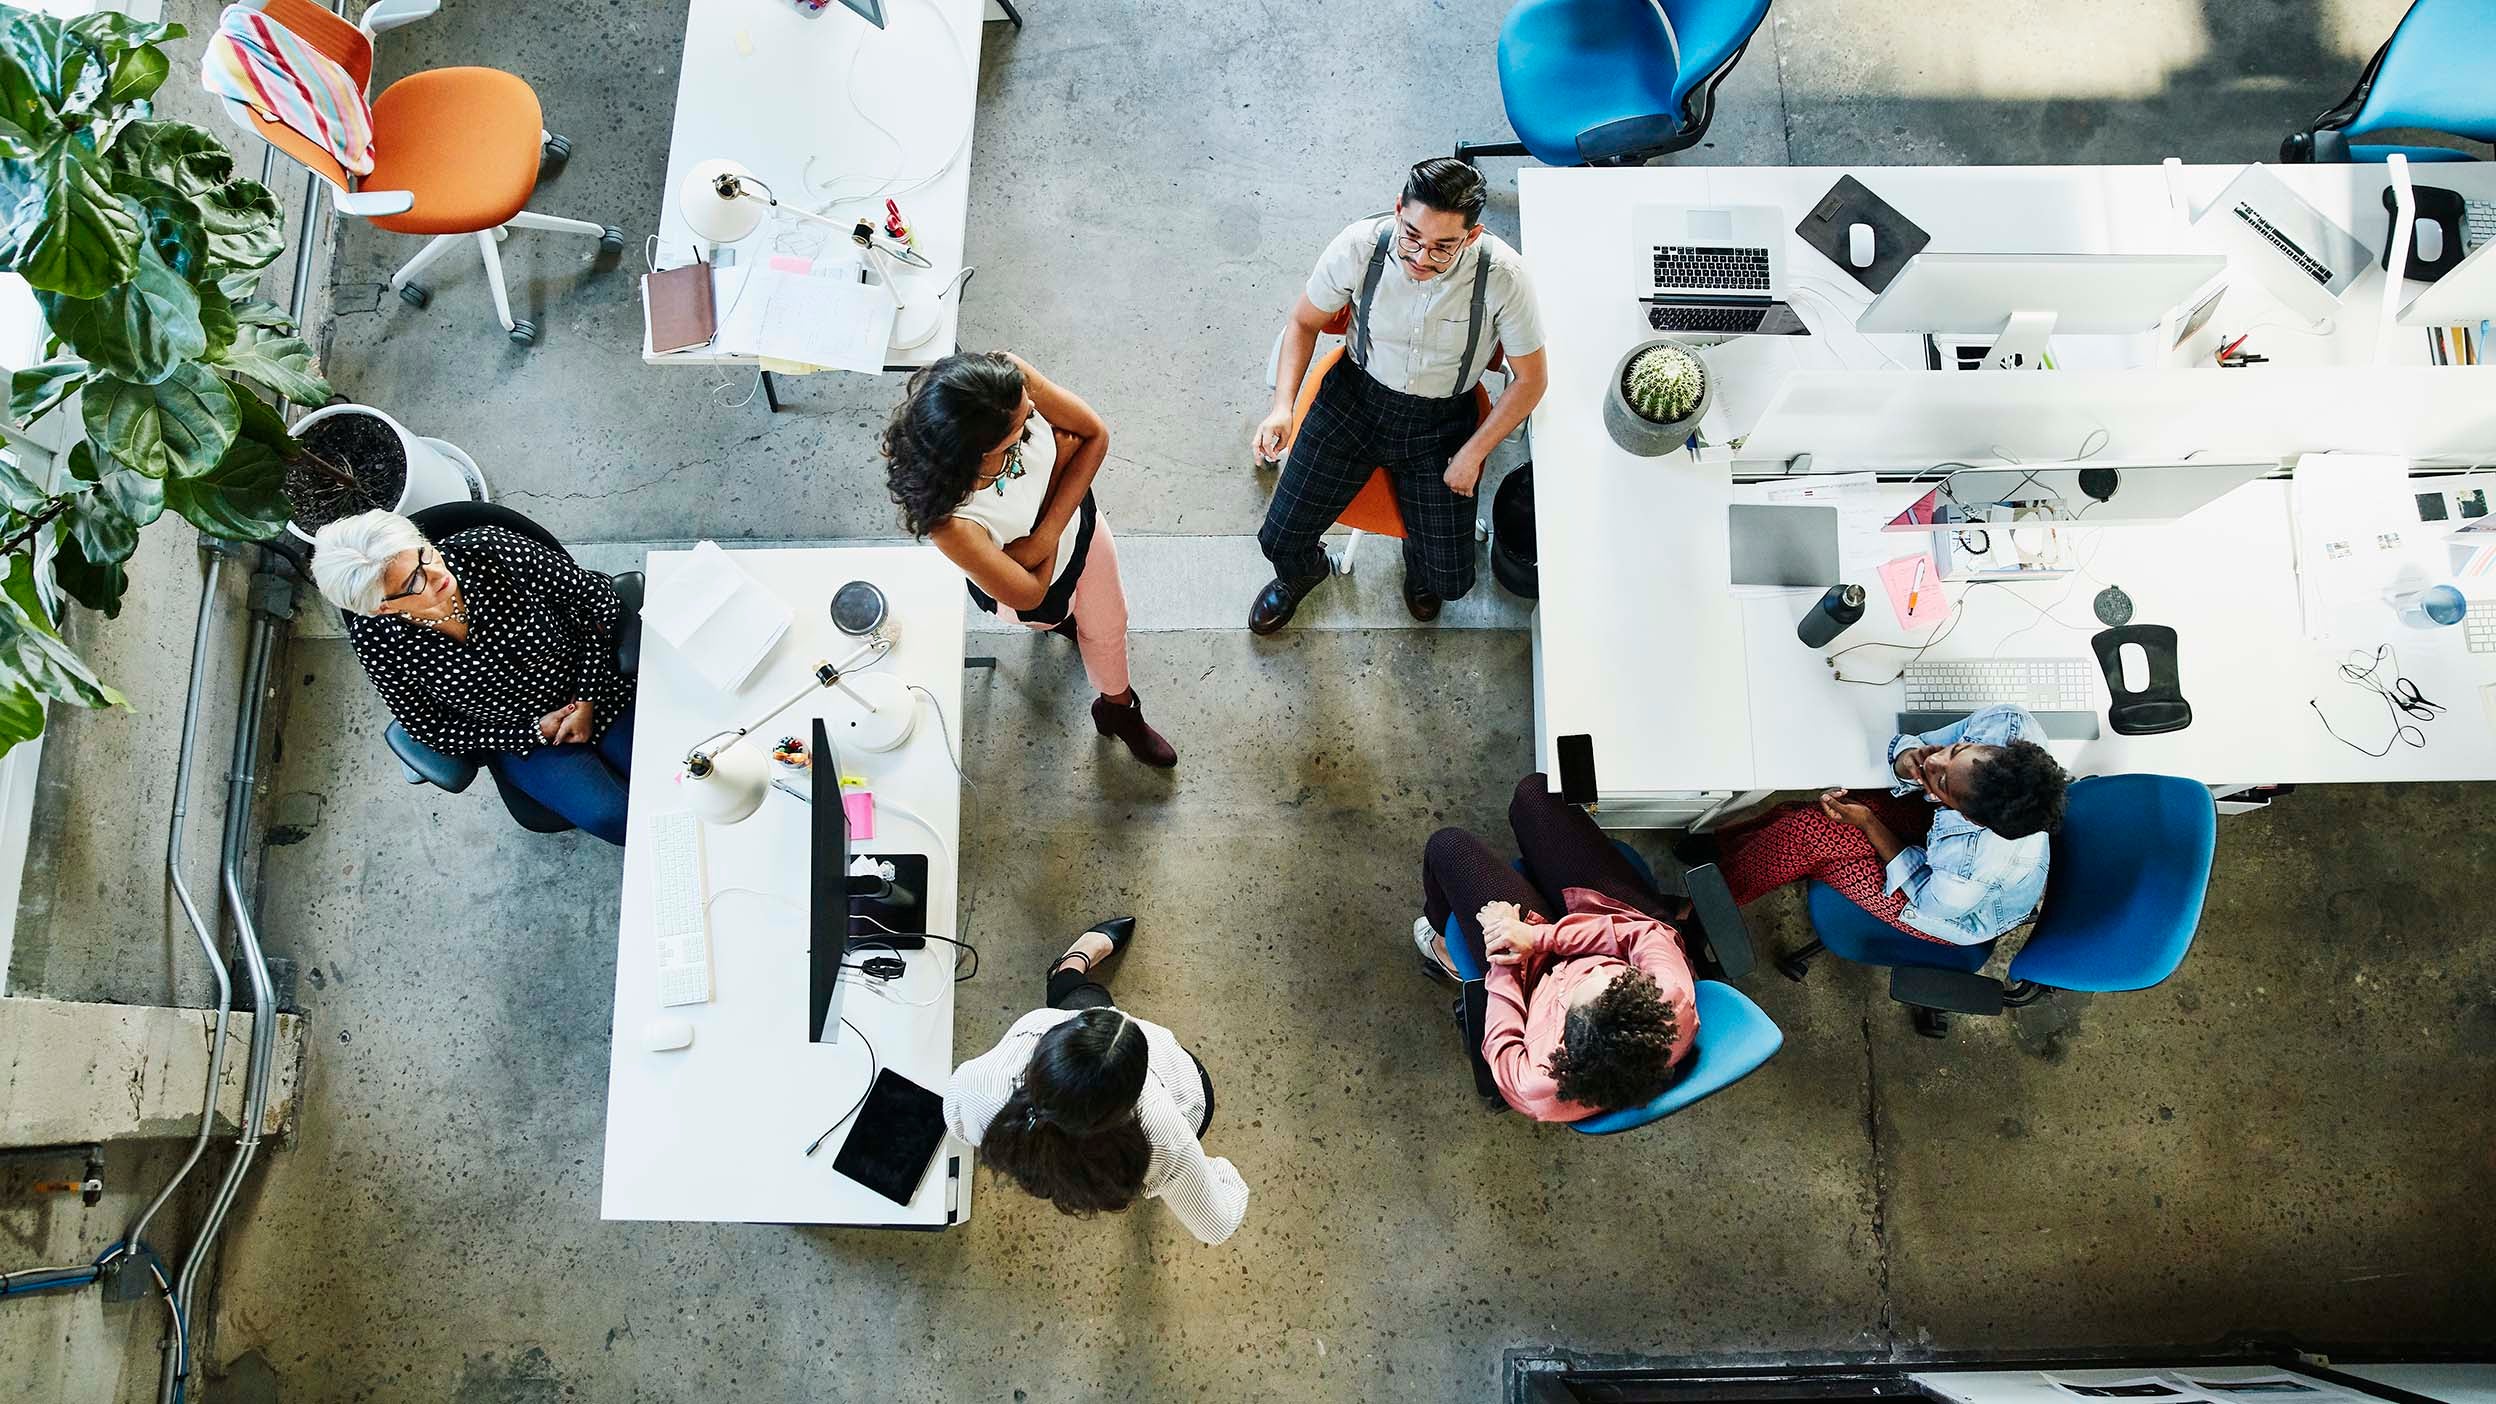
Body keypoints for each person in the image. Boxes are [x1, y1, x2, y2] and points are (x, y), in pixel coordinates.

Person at [1248, 158, 1548, 633]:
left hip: (1443, 420)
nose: (1420, 258)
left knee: (1450, 581)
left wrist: (1473, 453)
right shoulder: (1360, 246)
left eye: (1442, 247)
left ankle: (1420, 561)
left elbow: (1532, 380)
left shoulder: (1504, 277)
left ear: (1472, 236)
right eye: (1412, 236)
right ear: (1398, 212)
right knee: (1279, 538)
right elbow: (1303, 322)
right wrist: (1282, 406)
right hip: (1355, 399)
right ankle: (1304, 573)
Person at [883, 350, 1175, 768]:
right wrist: (1058, 475)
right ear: (977, 452)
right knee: (1059, 618)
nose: (1035, 411)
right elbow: (1029, 592)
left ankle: (1119, 708)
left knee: (1110, 627)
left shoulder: (1008, 381)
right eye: (1022, 427)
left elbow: (1095, 436)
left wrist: (1035, 544)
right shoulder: (951, 523)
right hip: (1042, 590)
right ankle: (1070, 626)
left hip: (1084, 534)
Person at [311, 509, 636, 845]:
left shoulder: (491, 550)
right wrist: (532, 732)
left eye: (424, 553)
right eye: (413, 582)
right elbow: (427, 727)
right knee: (615, 817)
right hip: (517, 736)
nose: (436, 572)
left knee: (676, 773)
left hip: (594, 683)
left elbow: (599, 599)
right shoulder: (376, 639)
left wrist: (586, 697)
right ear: (384, 607)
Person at [1412, 774, 1698, 1123]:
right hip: (1606, 919)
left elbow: (1501, 1038)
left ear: (1565, 1036)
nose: (1588, 970)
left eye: (1580, 987)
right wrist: (1539, 937)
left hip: (1529, 977)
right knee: (1535, 793)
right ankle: (1542, 880)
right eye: (1614, 974)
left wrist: (1505, 947)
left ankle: (1444, 946)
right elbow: (1642, 934)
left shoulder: (1532, 1086)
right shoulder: (1668, 998)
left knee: (1448, 846)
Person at [944, 918, 1247, 1245]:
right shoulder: (1165, 1131)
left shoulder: (983, 1081)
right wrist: (1213, 1169)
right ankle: (1071, 968)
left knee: (1076, 995)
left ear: (1044, 1051)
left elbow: (958, 1122)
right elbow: (1217, 1225)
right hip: (1170, 1115)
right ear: (1136, 1092)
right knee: (1087, 998)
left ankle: (1071, 965)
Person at [1703, 704, 2070, 946]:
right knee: (1812, 819)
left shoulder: (1969, 870)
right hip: (1946, 838)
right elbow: (1923, 748)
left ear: (1968, 815)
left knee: (1810, 835)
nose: (1936, 761)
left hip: (1943, 907)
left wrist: (1869, 823)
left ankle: (1704, 907)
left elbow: (1928, 897)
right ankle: (1725, 855)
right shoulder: (2006, 725)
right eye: (1955, 751)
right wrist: (1909, 760)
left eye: (1942, 784)